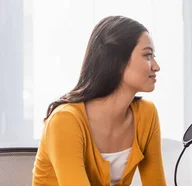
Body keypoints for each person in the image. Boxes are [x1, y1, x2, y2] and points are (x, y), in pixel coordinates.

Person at [32, 16, 166, 186]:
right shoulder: (65, 121)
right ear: (118, 61)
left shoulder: (147, 115)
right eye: (147, 55)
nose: (156, 66)